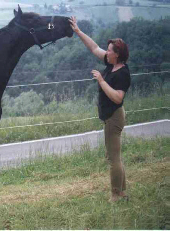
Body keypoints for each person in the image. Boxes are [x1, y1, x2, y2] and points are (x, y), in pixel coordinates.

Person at [69, 16, 131, 202]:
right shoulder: (111, 64)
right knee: (114, 156)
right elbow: (94, 47)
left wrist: (102, 81)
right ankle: (122, 191)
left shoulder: (122, 73)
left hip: (114, 117)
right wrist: (78, 31)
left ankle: (116, 195)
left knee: (113, 159)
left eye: (110, 50)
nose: (107, 52)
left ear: (117, 54)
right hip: (110, 117)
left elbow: (118, 97)